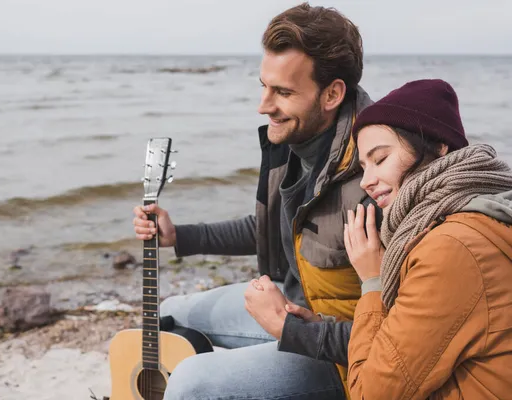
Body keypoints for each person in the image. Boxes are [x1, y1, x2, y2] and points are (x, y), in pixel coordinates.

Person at [133, 4, 373, 399]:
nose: (263, 105)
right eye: (263, 85)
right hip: (290, 306)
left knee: (192, 381)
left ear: (332, 93)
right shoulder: (295, 141)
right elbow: (272, 229)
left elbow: (402, 335)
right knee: (168, 315)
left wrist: (291, 330)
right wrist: (180, 236)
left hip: (340, 355)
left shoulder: (377, 173)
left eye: (283, 92)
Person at [343, 78, 512, 399]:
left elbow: (370, 394)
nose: (366, 180)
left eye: (380, 159)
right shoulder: (486, 209)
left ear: (438, 145)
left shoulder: (451, 247)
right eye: (363, 167)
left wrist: (373, 281)